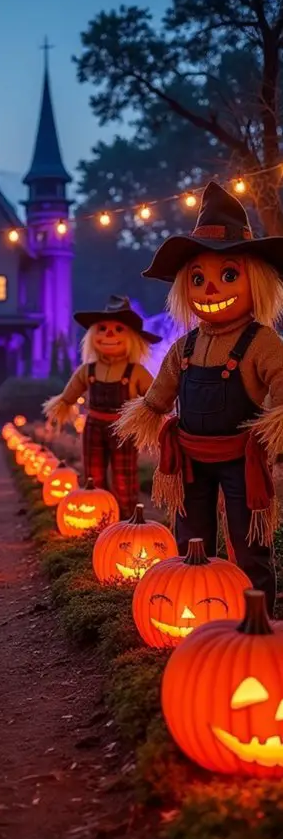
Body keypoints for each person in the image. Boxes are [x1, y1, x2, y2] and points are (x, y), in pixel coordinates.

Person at [116, 181, 283, 612]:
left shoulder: (261, 342)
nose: (210, 289)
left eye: (228, 276)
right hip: (190, 459)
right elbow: (159, 394)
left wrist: (277, 421)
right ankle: (204, 608)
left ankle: (255, 616)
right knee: (193, 538)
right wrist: (147, 415)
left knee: (249, 541)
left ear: (257, 282)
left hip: (241, 458)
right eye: (198, 278)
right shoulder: (185, 347)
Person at [43, 296, 160, 517]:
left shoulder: (136, 372)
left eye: (118, 329)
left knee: (124, 477)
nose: (109, 334)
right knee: (93, 475)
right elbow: (68, 396)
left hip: (124, 430)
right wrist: (60, 408)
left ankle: (127, 517)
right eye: (103, 329)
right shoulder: (87, 370)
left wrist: (155, 419)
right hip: (93, 426)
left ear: (132, 338)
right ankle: (98, 517)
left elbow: (156, 398)